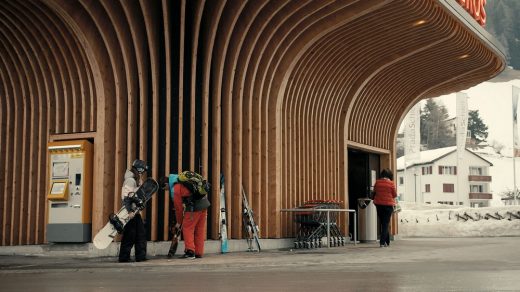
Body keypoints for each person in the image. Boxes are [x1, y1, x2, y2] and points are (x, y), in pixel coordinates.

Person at [162, 172, 210, 259]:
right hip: (204, 203)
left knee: (187, 228)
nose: (166, 190)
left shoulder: (174, 188)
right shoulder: (182, 179)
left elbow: (178, 208)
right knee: (200, 229)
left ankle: (190, 252)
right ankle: (199, 252)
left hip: (194, 208)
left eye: (165, 188)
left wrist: (179, 222)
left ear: (166, 184)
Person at [118, 159, 149, 262]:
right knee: (129, 235)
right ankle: (124, 257)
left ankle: (141, 256)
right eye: (143, 170)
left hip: (135, 212)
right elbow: (126, 197)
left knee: (140, 233)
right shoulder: (130, 180)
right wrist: (129, 211)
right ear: (139, 169)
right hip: (130, 212)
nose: (143, 172)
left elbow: (135, 195)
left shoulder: (135, 179)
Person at [372, 168, 397, 248]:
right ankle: (382, 242)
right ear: (390, 175)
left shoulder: (377, 182)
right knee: (386, 224)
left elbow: (374, 192)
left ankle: (387, 241)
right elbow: (394, 195)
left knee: (383, 223)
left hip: (379, 205)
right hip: (388, 206)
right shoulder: (391, 183)